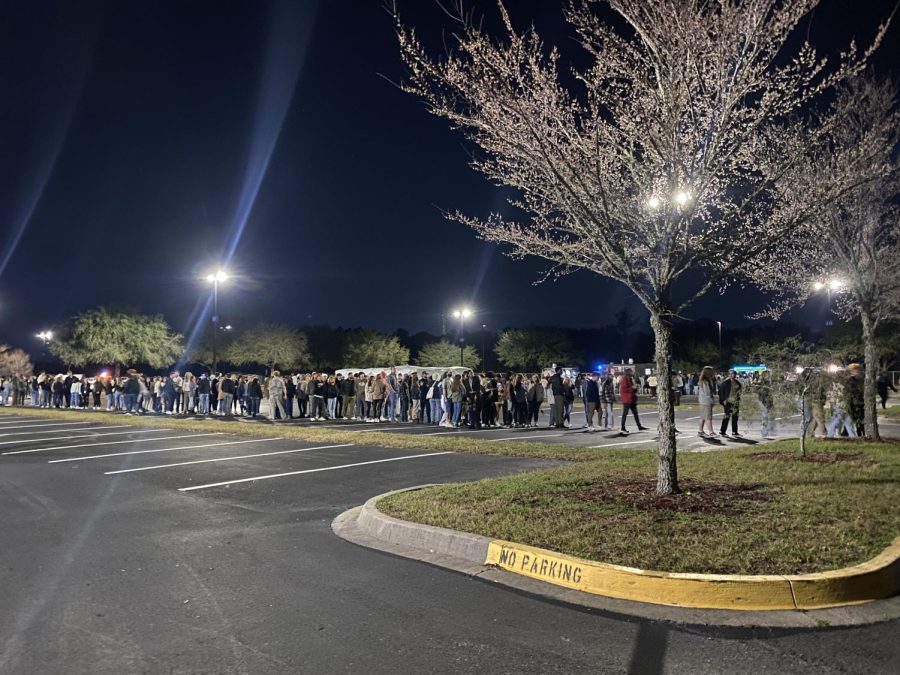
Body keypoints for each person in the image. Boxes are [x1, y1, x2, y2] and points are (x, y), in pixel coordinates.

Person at [718, 370, 742, 437]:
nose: (732, 375)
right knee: (727, 416)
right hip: (728, 402)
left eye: (733, 374)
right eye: (730, 374)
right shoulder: (725, 383)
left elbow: (739, 392)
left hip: (735, 402)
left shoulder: (737, 383)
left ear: (735, 375)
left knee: (735, 417)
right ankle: (722, 431)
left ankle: (734, 432)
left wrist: (738, 399)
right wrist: (723, 400)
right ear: (728, 375)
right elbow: (720, 392)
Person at [755, 370, 775, 439]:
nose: (769, 375)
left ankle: (766, 431)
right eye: (768, 374)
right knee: (765, 416)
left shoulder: (768, 382)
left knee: (767, 416)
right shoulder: (761, 382)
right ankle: (763, 431)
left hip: (768, 401)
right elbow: (758, 390)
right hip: (763, 400)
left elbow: (770, 393)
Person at [697, 366, 717, 437]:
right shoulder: (706, 381)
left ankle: (700, 430)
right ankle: (711, 432)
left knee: (702, 416)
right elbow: (707, 393)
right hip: (706, 401)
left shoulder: (702, 380)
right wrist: (712, 401)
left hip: (702, 401)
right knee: (708, 417)